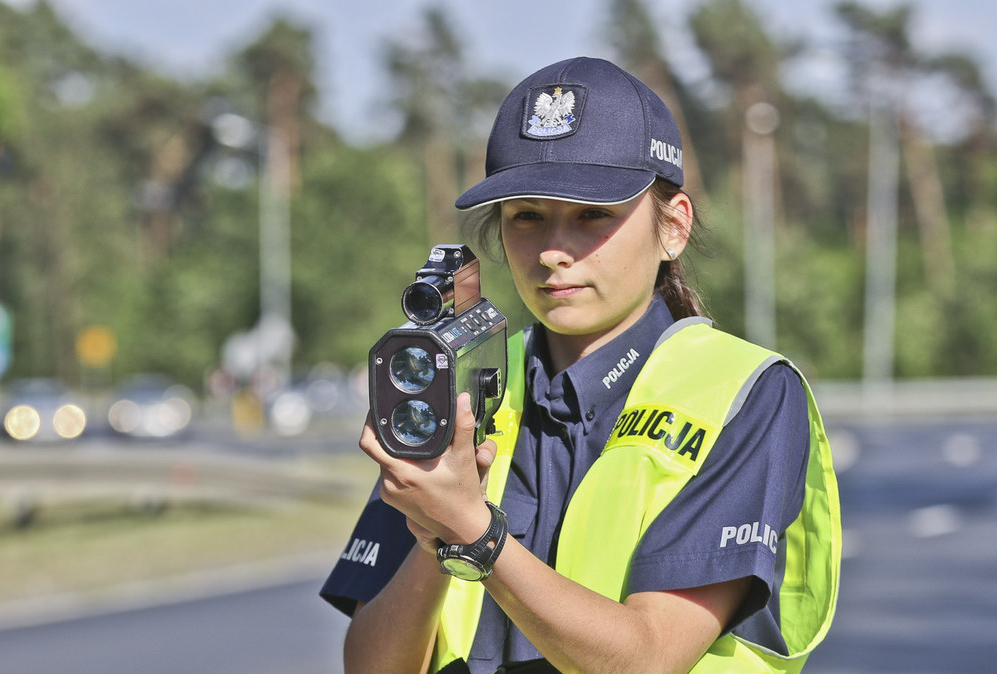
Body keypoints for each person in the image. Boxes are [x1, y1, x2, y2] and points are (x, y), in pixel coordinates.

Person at [321, 56, 840, 674]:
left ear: (672, 227)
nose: (552, 252)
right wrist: (432, 532)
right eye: (526, 217)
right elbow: (371, 667)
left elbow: (646, 659)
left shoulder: (740, 392)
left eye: (593, 214)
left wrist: (473, 535)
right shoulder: (460, 379)